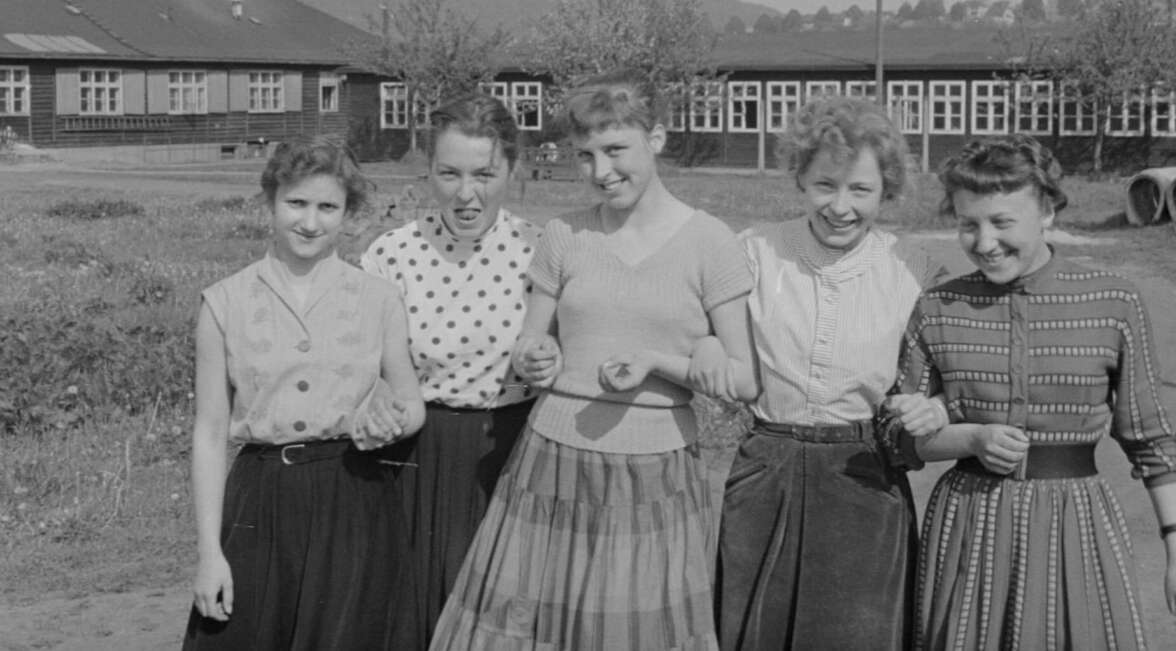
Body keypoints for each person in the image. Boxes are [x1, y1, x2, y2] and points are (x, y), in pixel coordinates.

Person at [429, 70, 754, 651]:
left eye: (615, 150)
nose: (601, 172)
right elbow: (532, 345)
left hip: (656, 470)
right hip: (553, 463)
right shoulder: (564, 235)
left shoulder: (711, 242)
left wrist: (659, 361)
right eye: (585, 155)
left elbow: (742, 380)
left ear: (655, 138)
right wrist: (537, 355)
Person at [880, 134, 1176, 650]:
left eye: (1002, 222)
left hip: (1076, 527)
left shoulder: (1113, 302)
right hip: (969, 528)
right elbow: (898, 439)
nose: (984, 242)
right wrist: (968, 438)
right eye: (968, 224)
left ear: (1047, 210)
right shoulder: (938, 307)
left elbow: (1152, 441)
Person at [713, 96, 948, 650]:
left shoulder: (913, 271)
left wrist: (934, 405)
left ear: (886, 191)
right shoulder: (754, 252)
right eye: (825, 185)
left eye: (860, 190)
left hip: (863, 478)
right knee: (753, 630)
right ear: (800, 178)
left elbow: (948, 378)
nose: (840, 206)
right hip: (765, 470)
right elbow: (697, 328)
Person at [182, 136, 425, 650]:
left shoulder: (378, 297)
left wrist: (390, 423)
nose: (310, 223)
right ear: (270, 201)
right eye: (296, 203)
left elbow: (411, 405)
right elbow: (208, 433)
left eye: (327, 207)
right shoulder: (223, 302)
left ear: (348, 213)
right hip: (263, 501)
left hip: (354, 496)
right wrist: (209, 553)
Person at [360, 93, 547, 646]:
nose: (467, 194)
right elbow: (360, 364)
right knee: (413, 608)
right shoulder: (390, 254)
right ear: (429, 172)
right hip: (414, 452)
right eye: (450, 173)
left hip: (510, 451)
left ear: (512, 169)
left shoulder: (540, 251)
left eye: (485, 174)